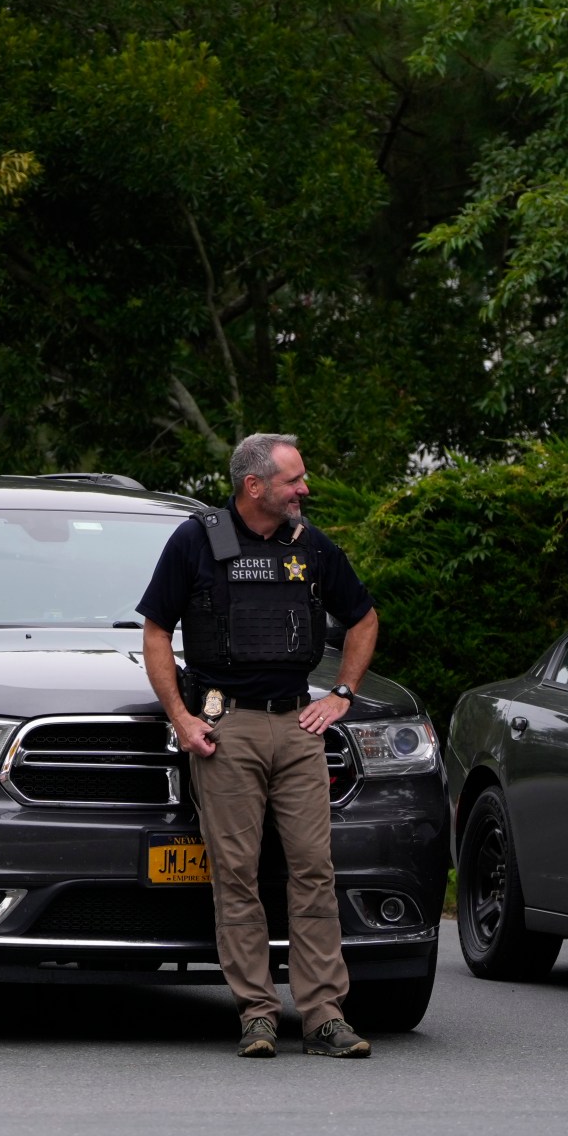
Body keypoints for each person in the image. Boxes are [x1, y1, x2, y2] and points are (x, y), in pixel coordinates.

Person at [138, 433, 380, 1059]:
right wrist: (181, 719)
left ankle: (325, 1015)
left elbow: (363, 617)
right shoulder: (197, 541)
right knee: (238, 876)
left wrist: (342, 695)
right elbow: (157, 631)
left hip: (299, 724)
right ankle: (257, 1014)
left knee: (313, 870)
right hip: (226, 729)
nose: (306, 490)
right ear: (255, 487)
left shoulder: (311, 544)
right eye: (295, 480)